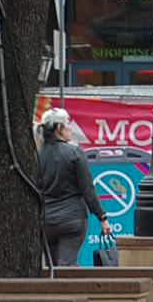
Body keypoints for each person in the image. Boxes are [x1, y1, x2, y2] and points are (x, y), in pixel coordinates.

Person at [36, 108, 111, 267]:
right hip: (72, 218)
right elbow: (87, 190)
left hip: (45, 219)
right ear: (59, 129)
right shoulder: (74, 152)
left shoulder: (36, 154)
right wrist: (102, 217)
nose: (71, 128)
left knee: (51, 267)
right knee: (67, 266)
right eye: (68, 124)